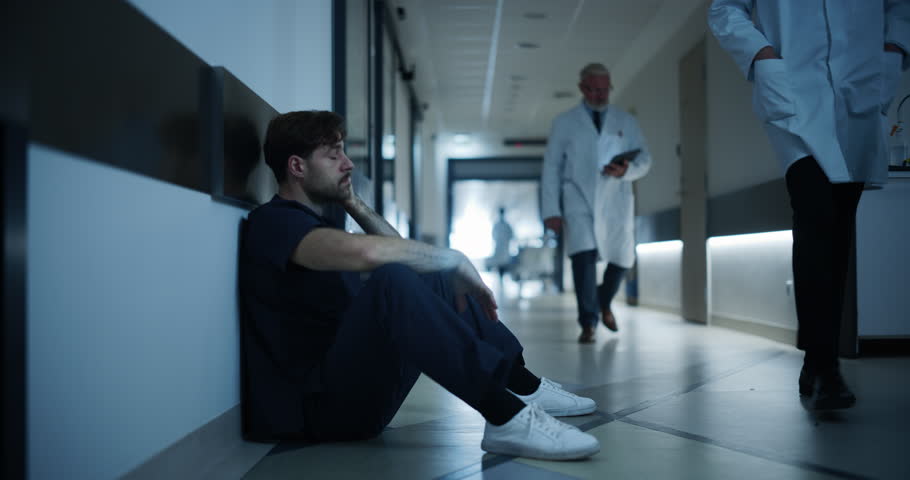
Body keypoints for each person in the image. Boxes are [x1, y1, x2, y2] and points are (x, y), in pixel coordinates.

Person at [239, 110, 600, 460]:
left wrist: (352, 201)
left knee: (427, 273)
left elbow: (399, 253)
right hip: (317, 411)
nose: (348, 163)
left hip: (354, 396)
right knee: (396, 276)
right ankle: (504, 415)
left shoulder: (319, 221)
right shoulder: (273, 222)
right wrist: (453, 257)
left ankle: (523, 386)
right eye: (334, 156)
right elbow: (369, 253)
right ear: (297, 167)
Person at [708, 0, 909, 410]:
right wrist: (761, 53)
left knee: (836, 231)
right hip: (794, 89)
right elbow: (725, 8)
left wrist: (893, 50)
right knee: (815, 215)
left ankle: (819, 358)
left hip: (859, 88)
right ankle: (824, 364)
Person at [541, 63, 653, 344]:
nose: (601, 95)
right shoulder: (564, 122)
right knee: (584, 258)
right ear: (582, 88)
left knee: (623, 258)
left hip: (615, 197)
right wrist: (551, 211)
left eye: (605, 89)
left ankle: (603, 303)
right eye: (594, 89)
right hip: (577, 197)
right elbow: (551, 168)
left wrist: (625, 170)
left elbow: (645, 160)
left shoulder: (626, 121)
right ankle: (588, 323)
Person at [490, 207, 514, 283]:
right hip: (500, 247)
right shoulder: (497, 225)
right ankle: (501, 278)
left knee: (504, 263)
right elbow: (493, 235)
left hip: (504, 247)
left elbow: (511, 235)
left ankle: (503, 278)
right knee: (500, 263)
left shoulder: (506, 225)